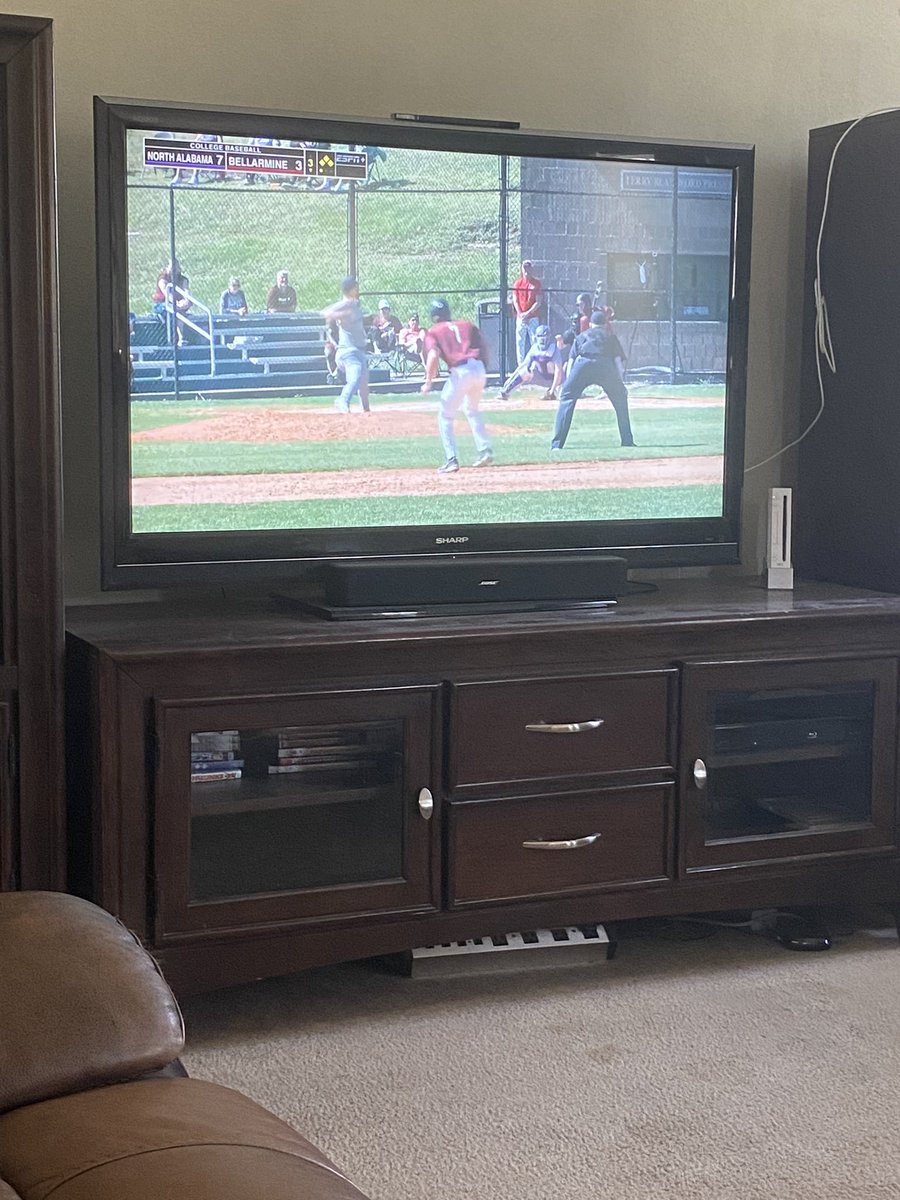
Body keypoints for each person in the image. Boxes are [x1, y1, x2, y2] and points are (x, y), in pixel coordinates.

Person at [420, 298, 493, 473]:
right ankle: (485, 450)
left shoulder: (434, 331)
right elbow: (486, 348)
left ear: (433, 316)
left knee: (445, 416)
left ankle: (451, 459)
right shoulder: (466, 325)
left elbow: (432, 357)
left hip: (461, 371)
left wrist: (428, 382)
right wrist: (482, 370)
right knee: (472, 409)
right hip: (479, 368)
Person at [551, 309, 634, 456]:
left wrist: (569, 385)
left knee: (567, 399)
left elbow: (571, 362)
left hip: (583, 364)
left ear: (590, 324)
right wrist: (621, 385)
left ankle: (557, 445)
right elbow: (617, 363)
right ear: (605, 324)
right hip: (605, 365)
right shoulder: (610, 337)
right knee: (620, 399)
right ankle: (627, 441)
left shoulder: (581, 336)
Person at [322, 275, 370, 413]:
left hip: (358, 350)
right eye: (355, 287)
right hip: (348, 351)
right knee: (355, 375)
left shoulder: (354, 304)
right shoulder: (347, 304)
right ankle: (343, 399)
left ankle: (366, 409)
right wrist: (342, 315)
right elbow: (327, 313)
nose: (358, 289)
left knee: (363, 382)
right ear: (350, 289)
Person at [498, 324, 563, 401]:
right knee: (524, 371)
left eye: (545, 336)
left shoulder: (554, 349)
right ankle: (505, 392)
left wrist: (552, 390)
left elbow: (558, 372)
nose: (542, 339)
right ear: (535, 337)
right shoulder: (534, 348)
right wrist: (509, 381)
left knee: (563, 396)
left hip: (555, 381)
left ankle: (552, 392)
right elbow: (523, 365)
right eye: (540, 336)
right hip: (540, 377)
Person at [151, 258, 192, 342]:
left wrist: (186, 302)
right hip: (162, 304)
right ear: (167, 267)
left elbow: (186, 293)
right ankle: (175, 338)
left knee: (179, 311)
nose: (175, 269)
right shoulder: (163, 279)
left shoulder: (183, 279)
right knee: (174, 310)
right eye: (172, 267)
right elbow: (168, 294)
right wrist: (176, 304)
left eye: (177, 266)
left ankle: (181, 338)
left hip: (178, 305)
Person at [511, 259, 543, 365]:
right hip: (521, 317)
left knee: (534, 341)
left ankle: (535, 365)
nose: (526, 271)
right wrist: (520, 314)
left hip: (533, 317)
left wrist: (528, 313)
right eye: (524, 269)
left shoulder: (536, 283)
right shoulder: (517, 283)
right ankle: (521, 366)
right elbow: (515, 300)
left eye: (528, 268)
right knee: (520, 342)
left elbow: (538, 302)